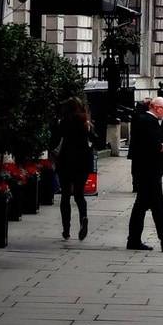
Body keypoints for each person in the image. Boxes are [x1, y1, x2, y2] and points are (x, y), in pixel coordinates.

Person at [126, 97, 163, 252]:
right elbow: (154, 146)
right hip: (149, 171)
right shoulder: (148, 122)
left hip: (146, 171)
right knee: (156, 207)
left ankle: (137, 240)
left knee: (144, 206)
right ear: (157, 108)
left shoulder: (144, 120)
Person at [50, 97, 97, 241]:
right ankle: (83, 217)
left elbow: (54, 140)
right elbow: (96, 140)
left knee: (65, 195)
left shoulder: (63, 122)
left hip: (65, 162)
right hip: (82, 163)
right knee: (79, 195)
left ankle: (66, 230)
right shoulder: (85, 122)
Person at [127, 98, 151, 192]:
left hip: (135, 144)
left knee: (135, 166)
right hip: (143, 145)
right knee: (143, 166)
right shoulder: (145, 117)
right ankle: (141, 184)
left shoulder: (135, 115)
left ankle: (135, 185)